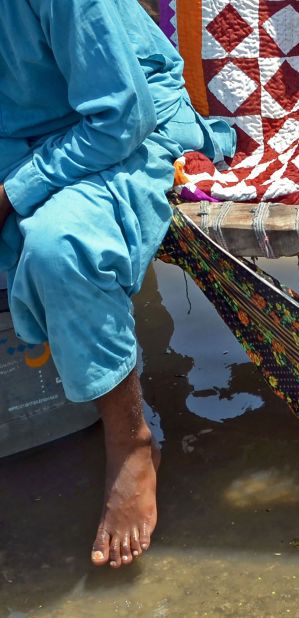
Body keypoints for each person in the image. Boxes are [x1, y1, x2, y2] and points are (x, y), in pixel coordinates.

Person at [0, 0, 235, 568]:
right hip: (15, 136)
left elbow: (121, 117)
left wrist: (10, 193)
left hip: (118, 124)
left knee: (61, 248)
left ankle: (128, 439)